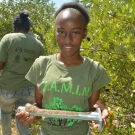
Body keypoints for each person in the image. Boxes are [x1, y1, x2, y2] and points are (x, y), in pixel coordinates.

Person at [16, 2, 111, 135]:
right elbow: (38, 106)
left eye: (75, 32)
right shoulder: (41, 65)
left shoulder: (94, 70)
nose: (67, 40)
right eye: (61, 32)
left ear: (84, 33)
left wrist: (100, 112)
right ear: (55, 32)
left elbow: (91, 110)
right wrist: (31, 113)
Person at [0, 10, 45, 135]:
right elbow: (42, 70)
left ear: (15, 27)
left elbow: (0, 64)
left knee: (5, 114)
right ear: (29, 27)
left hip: (8, 88)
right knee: (23, 120)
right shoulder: (38, 44)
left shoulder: (8, 38)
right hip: (29, 89)